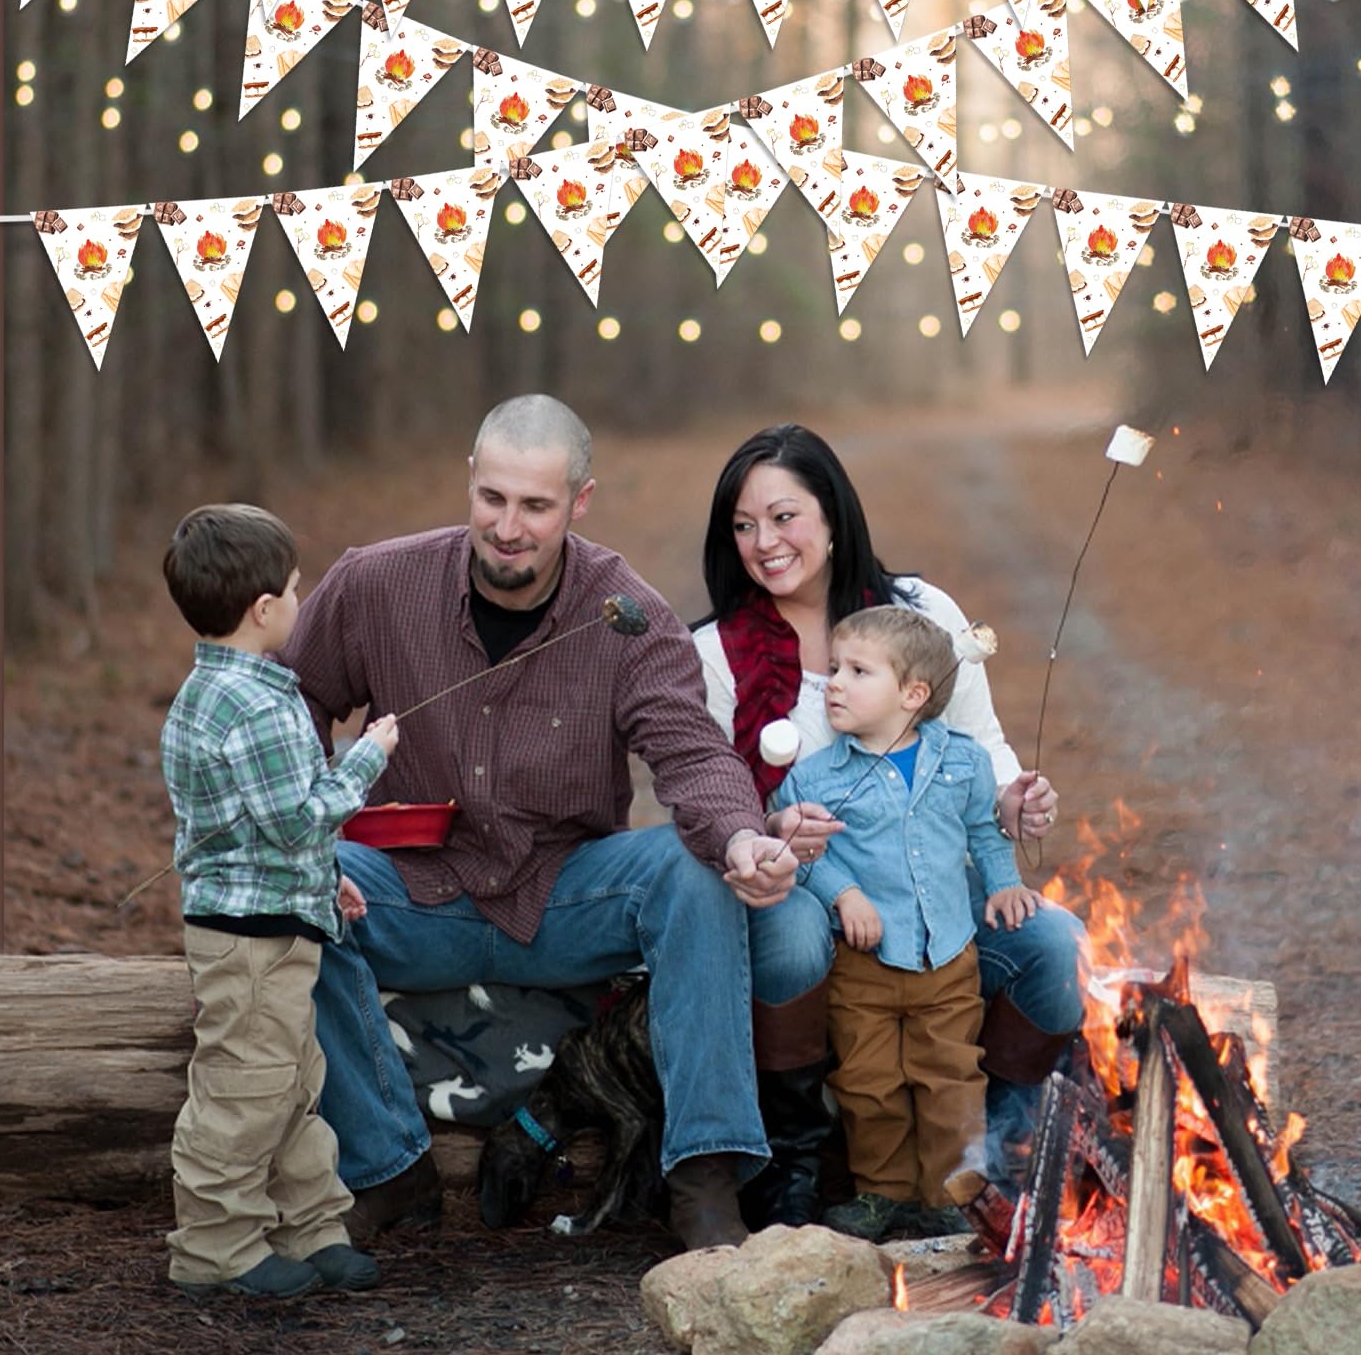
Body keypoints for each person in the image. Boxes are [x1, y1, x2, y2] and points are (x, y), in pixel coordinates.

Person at [277, 396, 822, 1252]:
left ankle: (705, 1175)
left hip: (565, 891)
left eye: (535, 506)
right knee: (287, 889)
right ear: (469, 482)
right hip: (413, 886)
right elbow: (293, 702)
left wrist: (740, 836)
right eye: (492, 498)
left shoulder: (626, 613)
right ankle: (389, 1170)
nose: (508, 527)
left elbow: (691, 753)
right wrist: (305, 838)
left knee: (693, 870)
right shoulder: (375, 584)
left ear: (580, 501)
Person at [692, 424, 1088, 1198]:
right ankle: (797, 1157)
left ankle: (991, 1149)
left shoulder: (918, 613)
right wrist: (771, 833)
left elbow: (982, 750)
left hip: (928, 892)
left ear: (834, 517)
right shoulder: (715, 653)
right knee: (798, 928)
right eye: (742, 525)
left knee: (1056, 947)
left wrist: (1013, 801)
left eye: (783, 517)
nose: (762, 542)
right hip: (806, 900)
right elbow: (712, 801)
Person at [160, 504, 397, 1303]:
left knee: (296, 1082)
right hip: (250, 941)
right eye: (296, 589)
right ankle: (215, 1244)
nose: (303, 601)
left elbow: (260, 831)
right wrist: (367, 760)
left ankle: (311, 1227)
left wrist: (324, 878)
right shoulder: (257, 707)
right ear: (264, 610)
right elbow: (298, 815)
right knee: (244, 1091)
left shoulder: (221, 689)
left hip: (275, 918)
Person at [769, 605, 1042, 1242]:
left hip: (947, 958)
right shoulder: (815, 776)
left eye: (857, 671)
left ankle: (949, 1196)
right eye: (835, 667)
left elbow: (983, 830)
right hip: (864, 964)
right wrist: (845, 896)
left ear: (913, 694)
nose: (833, 682)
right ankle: (881, 1192)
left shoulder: (963, 763)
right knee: (870, 1082)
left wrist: (1002, 882)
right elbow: (803, 855)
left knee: (949, 1076)